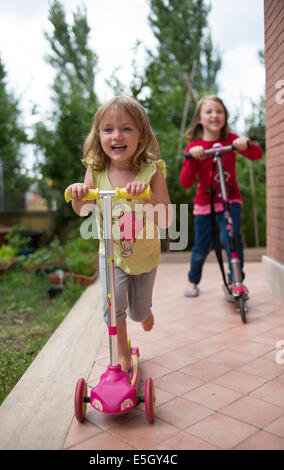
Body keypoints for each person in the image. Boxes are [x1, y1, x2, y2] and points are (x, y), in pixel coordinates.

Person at [66, 96, 172, 373]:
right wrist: (79, 192)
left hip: (145, 256)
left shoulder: (151, 172)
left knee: (137, 311)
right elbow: (82, 209)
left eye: (126, 128)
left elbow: (167, 219)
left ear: (141, 136)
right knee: (112, 307)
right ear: (98, 135)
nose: (117, 135)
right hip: (111, 254)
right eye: (108, 129)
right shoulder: (96, 169)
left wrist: (147, 197)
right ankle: (122, 351)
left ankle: (145, 310)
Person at [180, 95, 262, 298]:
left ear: (225, 116)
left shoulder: (231, 140)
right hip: (205, 203)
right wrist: (192, 157)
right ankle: (193, 279)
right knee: (202, 245)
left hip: (229, 199)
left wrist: (246, 144)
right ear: (199, 118)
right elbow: (186, 182)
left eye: (219, 111)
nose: (214, 115)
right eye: (208, 111)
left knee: (232, 237)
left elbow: (257, 154)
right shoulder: (194, 146)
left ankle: (236, 280)